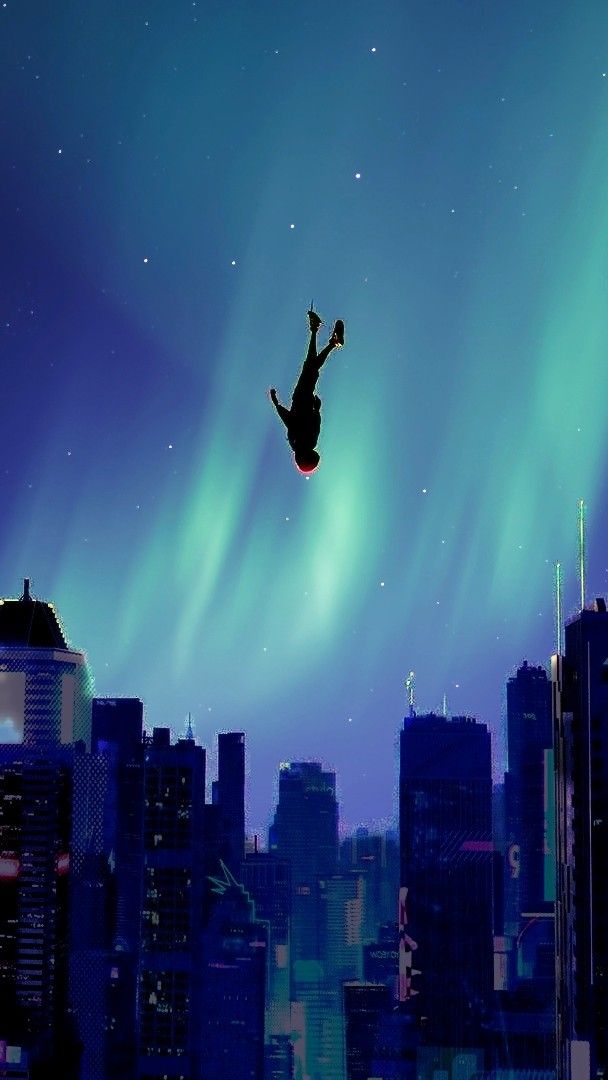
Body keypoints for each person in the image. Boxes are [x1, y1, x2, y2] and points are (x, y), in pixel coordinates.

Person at [269, 309, 344, 473]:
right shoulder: (302, 442)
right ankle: (318, 330)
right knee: (311, 367)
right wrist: (277, 405)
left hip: (303, 398)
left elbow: (294, 421)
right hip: (303, 398)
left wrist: (277, 404)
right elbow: (297, 421)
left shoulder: (302, 443)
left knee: (311, 366)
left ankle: (328, 339)